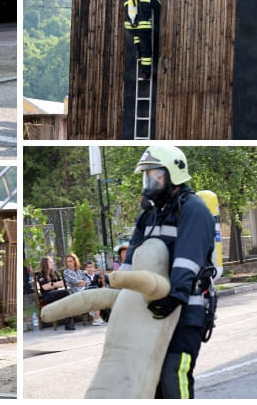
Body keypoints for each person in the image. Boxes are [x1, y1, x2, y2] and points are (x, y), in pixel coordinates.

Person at [128, 146, 215, 399]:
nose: (150, 181)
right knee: (152, 383)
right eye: (147, 176)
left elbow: (187, 261)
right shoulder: (149, 215)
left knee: (173, 376)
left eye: (155, 175)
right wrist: (115, 297)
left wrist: (176, 295)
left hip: (188, 310)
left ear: (173, 173)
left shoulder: (193, 209)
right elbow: (131, 261)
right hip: (154, 311)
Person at [124, 0, 161, 81]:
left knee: (137, 37)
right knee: (147, 52)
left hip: (131, 28)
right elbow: (158, 6)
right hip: (143, 28)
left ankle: (137, 51)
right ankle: (146, 75)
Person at [36, 256, 75, 330]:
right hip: (47, 296)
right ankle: (67, 323)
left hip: (56, 293)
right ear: (45, 264)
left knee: (67, 299)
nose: (53, 263)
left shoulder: (54, 273)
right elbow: (45, 287)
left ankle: (68, 323)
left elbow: (62, 284)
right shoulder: (41, 274)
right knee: (66, 293)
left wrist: (51, 284)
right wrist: (55, 284)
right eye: (50, 262)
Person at [83, 260, 107, 325]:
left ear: (94, 268)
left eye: (91, 267)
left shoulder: (97, 276)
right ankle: (97, 318)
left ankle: (98, 317)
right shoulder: (84, 276)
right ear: (85, 268)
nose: (90, 269)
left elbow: (100, 286)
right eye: (88, 267)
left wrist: (103, 286)